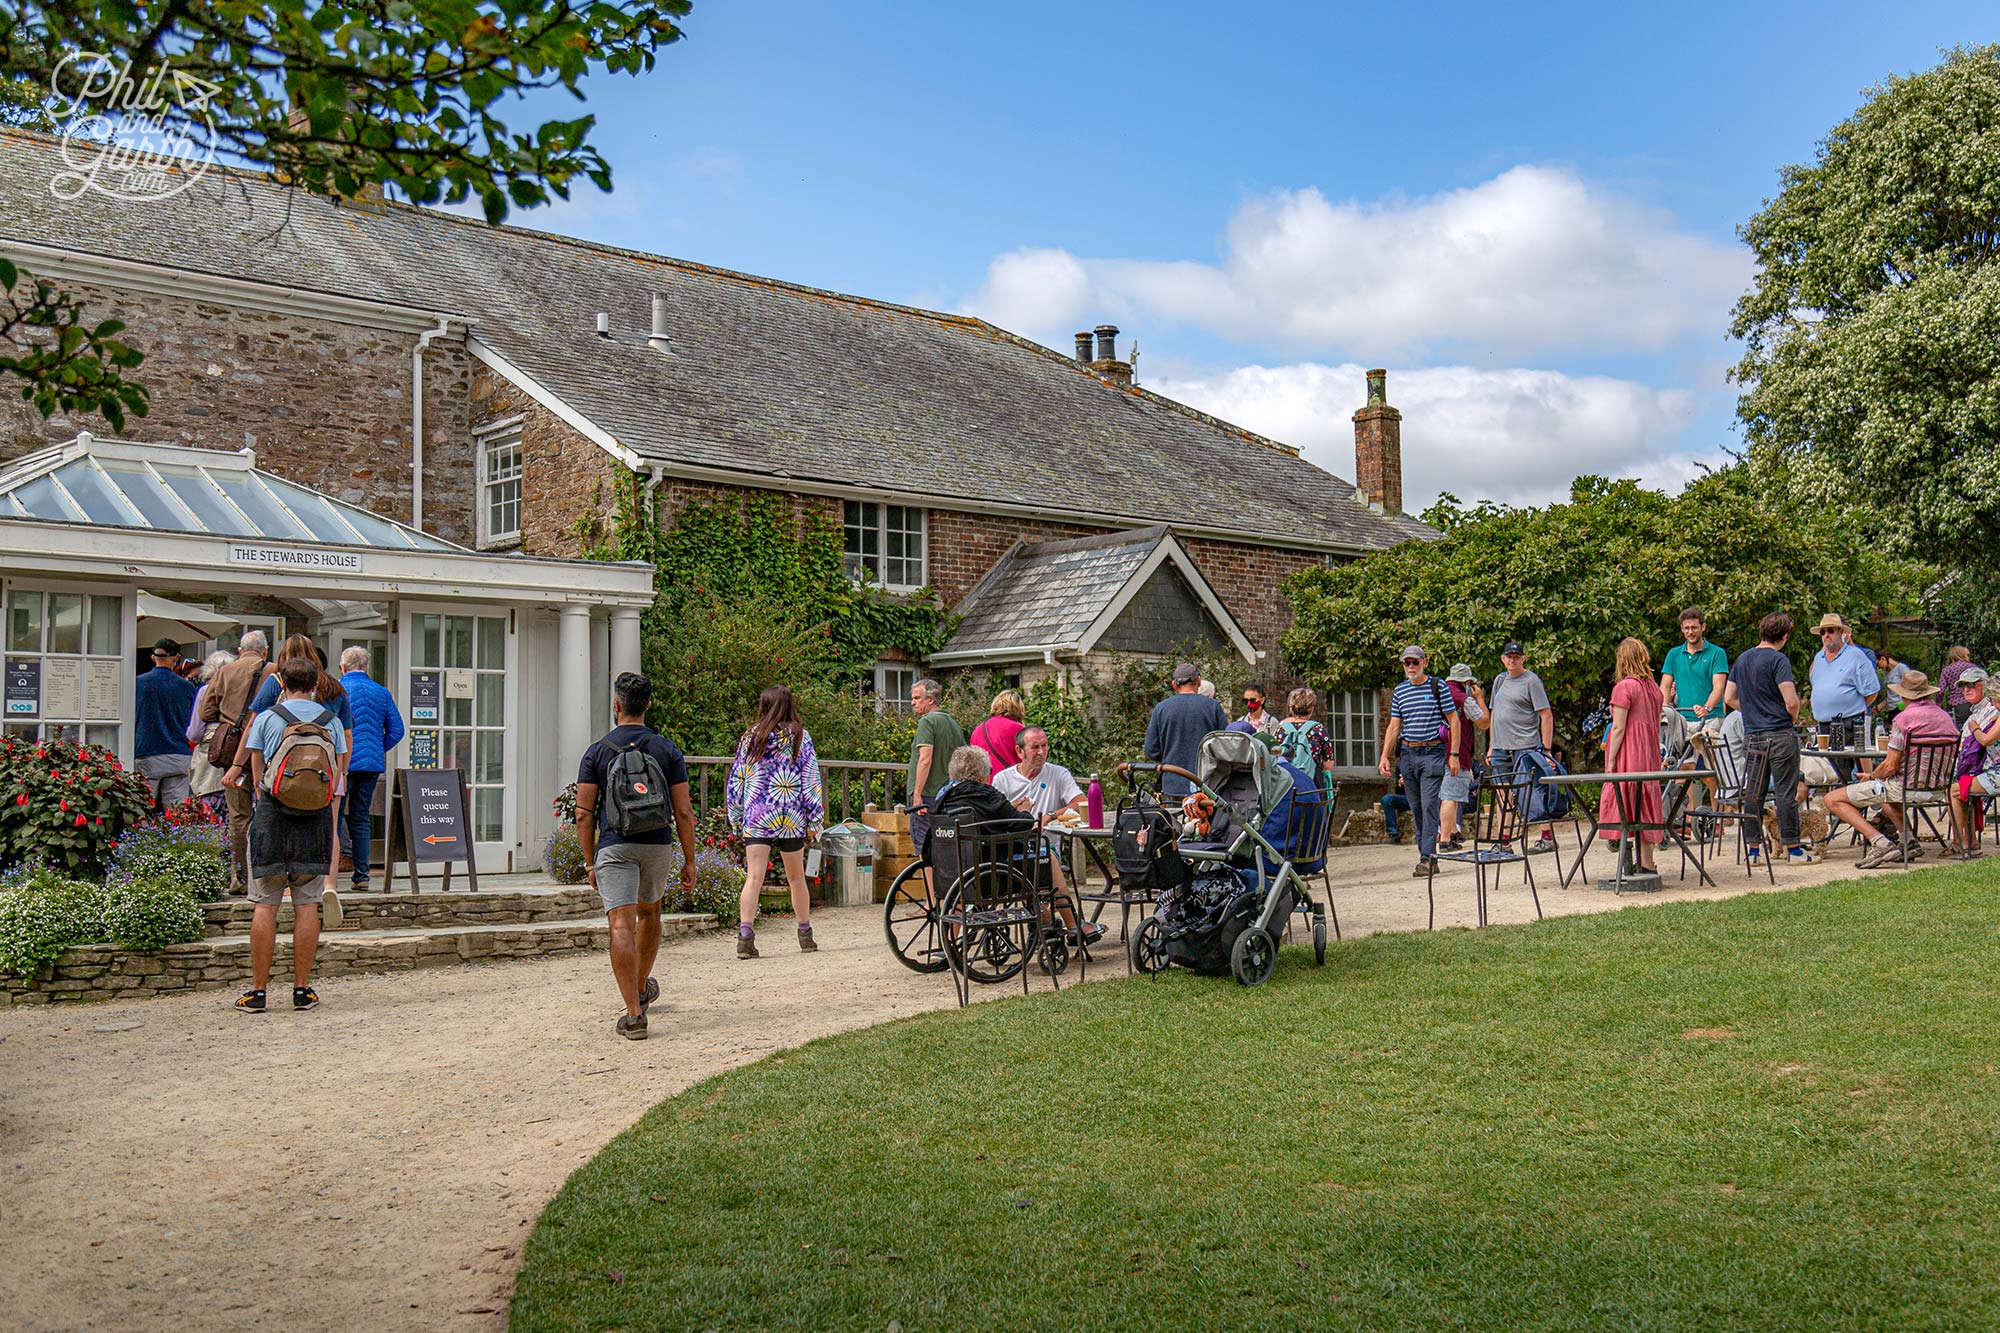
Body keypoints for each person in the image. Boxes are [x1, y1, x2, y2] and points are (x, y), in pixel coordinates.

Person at [575, 672, 697, 1040]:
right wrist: (690, 860)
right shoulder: (666, 749)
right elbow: (685, 811)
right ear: (648, 704)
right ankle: (641, 987)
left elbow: (583, 812)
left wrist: (589, 860)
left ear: (616, 706)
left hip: (614, 844)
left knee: (620, 925)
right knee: (650, 914)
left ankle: (633, 1015)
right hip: (657, 844)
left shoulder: (597, 752)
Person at [233, 654, 348, 1014]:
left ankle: (258, 992)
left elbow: (255, 770)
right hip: (314, 820)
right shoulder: (331, 722)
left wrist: (263, 791)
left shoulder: (268, 718)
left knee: (265, 904)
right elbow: (338, 772)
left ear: (281, 684)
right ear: (316, 686)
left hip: (272, 816)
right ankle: (302, 990)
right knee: (306, 905)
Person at [929, 745, 1100, 946]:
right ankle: (1073, 927)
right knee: (1047, 857)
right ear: (982, 773)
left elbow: (986, 817)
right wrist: (1026, 810)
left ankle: (949, 942)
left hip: (953, 870)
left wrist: (1010, 807)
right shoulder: (987, 795)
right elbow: (1025, 825)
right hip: (992, 872)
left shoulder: (944, 797)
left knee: (1032, 857)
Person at [230, 637, 353, 902]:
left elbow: (252, 729)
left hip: (282, 776)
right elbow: (347, 734)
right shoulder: (334, 688)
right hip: (327, 773)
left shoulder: (274, 683)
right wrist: (341, 773)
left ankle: (286, 882)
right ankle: (329, 884)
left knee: (284, 827)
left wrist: (241, 769)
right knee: (330, 828)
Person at [726, 685, 825, 958]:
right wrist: (815, 817)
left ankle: (745, 936)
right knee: (796, 878)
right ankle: (805, 935)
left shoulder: (750, 738)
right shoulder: (801, 738)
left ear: (764, 705)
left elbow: (737, 779)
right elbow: (810, 780)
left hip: (758, 814)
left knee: (754, 876)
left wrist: (735, 816)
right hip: (791, 815)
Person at [1825, 670, 1958, 868]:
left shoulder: (1904, 720)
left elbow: (1890, 765)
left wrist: (1871, 776)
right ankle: (1908, 841)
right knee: (1884, 789)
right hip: (1938, 789)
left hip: (1905, 788)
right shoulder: (1946, 718)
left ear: (1905, 695)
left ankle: (1879, 842)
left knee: (1832, 799)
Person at [990, 727, 1105, 945]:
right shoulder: (1002, 780)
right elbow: (995, 818)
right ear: (1019, 751)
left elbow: (1082, 803)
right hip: (1012, 849)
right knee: (1034, 864)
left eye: (1045, 745)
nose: (1042, 751)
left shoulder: (1057, 774)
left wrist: (1050, 816)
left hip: (1046, 846)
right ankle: (1063, 925)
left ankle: (1057, 925)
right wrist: (1016, 810)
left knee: (1044, 857)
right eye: (1035, 747)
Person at [1724, 612, 1817, 868]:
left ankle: (1753, 850)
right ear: (1785, 636)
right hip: (1779, 733)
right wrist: (1789, 715)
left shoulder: (1742, 659)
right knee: (1786, 793)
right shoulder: (1778, 659)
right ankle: (1794, 850)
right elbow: (1791, 700)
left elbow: (1729, 697)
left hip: (1753, 735)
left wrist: (1753, 711)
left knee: (1753, 794)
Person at [1378, 645, 1459, 877]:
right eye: (1407, 663)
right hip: (1408, 754)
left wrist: (1453, 755)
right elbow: (1394, 726)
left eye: (1415, 662)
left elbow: (1454, 721)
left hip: (1432, 752)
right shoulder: (1400, 691)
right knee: (1415, 807)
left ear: (1424, 662)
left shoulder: (1437, 686)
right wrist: (1384, 756)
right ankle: (1427, 855)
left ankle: (1427, 857)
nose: (1411, 667)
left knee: (1429, 804)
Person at [202, 630, 268, 894]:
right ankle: (265, 875)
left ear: (240, 651)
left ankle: (238, 877)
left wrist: (230, 715)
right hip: (267, 750)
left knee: (238, 816)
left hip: (233, 753)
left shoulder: (224, 672)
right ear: (264, 651)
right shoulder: (274, 671)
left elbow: (205, 712)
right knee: (267, 810)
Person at [337, 647, 405, 893]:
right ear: (365, 667)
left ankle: (330, 874)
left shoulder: (337, 689)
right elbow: (397, 730)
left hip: (341, 763)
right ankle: (362, 875)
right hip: (370, 765)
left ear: (343, 667)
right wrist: (377, 748)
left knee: (334, 816)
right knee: (361, 818)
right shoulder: (381, 692)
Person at [1600, 638, 1666, 876]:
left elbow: (1618, 728)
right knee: (1645, 801)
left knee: (1624, 800)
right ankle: (1647, 862)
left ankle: (1625, 861)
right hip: (1649, 751)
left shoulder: (1624, 687)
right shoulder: (1653, 688)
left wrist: (1610, 761)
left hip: (1630, 751)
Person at [1487, 641, 1558, 853]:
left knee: (1531, 791)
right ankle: (1504, 841)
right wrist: (1491, 746)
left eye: (1516, 657)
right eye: (1509, 656)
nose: (1512, 660)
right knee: (1502, 794)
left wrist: (1545, 749)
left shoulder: (1532, 681)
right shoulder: (1499, 680)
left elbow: (1546, 715)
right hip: (1501, 747)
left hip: (1525, 746)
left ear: (1523, 658)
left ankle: (1547, 836)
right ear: (1503, 658)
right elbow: (1494, 716)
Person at [905, 678, 967, 893]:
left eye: (916, 698)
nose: (912, 702)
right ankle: (949, 899)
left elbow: (925, 758)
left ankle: (934, 902)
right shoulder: (953, 723)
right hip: (949, 795)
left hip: (928, 795)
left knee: (926, 852)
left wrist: (917, 795)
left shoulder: (927, 722)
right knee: (947, 850)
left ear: (930, 700)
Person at [1806, 613, 1881, 784]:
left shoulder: (1856, 655)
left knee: (1856, 765)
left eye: (1830, 631)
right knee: (1836, 769)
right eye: (1823, 632)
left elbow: (1872, 690)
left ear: (1841, 632)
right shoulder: (1819, 658)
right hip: (1824, 723)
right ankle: (1843, 802)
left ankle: (1862, 800)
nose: (1826, 635)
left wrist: (1854, 708)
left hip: (1850, 720)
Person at [1144, 662, 1229, 798]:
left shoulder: (1161, 709)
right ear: (1199, 681)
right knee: (1205, 820)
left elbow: (1150, 749)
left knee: (1173, 819)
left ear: (1174, 684)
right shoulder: (1213, 707)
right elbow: (1226, 746)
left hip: (1173, 785)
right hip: (1207, 786)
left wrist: (1170, 757)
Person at [134, 638, 197, 810]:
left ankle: (142, 837)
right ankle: (176, 837)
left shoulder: (137, 684)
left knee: (142, 810)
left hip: (147, 752)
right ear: (176, 658)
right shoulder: (187, 687)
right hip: (178, 753)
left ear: (153, 657)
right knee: (176, 813)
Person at [1436, 664, 1489, 851]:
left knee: (1449, 795)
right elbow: (1484, 722)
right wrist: (1479, 698)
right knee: (1451, 796)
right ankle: (1444, 840)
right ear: (1466, 682)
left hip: (1436, 752)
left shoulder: (1438, 692)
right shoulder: (1462, 698)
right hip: (1457, 754)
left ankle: (1451, 833)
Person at [1950, 667, 1999, 855]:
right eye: (1963, 686)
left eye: (1971, 685)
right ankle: (1967, 841)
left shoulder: (1992, 713)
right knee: (1959, 785)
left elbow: (1985, 741)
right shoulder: (1977, 713)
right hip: (1983, 769)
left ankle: (1961, 842)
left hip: (1993, 772)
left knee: (1954, 790)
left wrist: (1975, 728)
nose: (1966, 690)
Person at [1660, 608, 1729, 733]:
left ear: (1703, 627)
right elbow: (1665, 686)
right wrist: (1665, 710)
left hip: (1710, 719)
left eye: (1694, 627)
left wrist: (1706, 708)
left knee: (1707, 750)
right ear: (1682, 629)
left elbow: (1718, 687)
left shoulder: (1717, 653)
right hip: (1682, 720)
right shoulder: (1673, 654)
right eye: (1686, 628)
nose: (1690, 632)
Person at [186, 649, 235, 823]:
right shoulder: (239, 692)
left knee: (209, 817)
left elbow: (195, 733)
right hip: (234, 762)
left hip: (210, 760)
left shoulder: (205, 691)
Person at [1273, 688, 1338, 793]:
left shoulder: (1280, 729)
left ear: (1291, 708)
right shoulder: (1318, 729)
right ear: (1311, 708)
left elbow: (1274, 756)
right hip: (1313, 784)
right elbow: (1328, 764)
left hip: (1285, 783)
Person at [969, 689, 1027, 776]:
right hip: (1009, 783)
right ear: (1018, 707)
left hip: (984, 784)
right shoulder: (1017, 729)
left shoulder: (977, 730)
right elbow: (1026, 762)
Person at [1939, 646, 1977, 728]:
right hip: (1973, 702)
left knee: (1959, 730)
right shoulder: (1973, 667)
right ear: (1963, 655)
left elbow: (1941, 691)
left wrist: (1938, 705)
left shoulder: (1947, 670)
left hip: (1956, 704)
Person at [1379, 767, 1411, 844]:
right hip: (1406, 798)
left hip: (1419, 797)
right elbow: (1398, 791)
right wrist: (1400, 784)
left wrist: (1411, 782)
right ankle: (1393, 834)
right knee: (1387, 799)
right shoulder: (1400, 765)